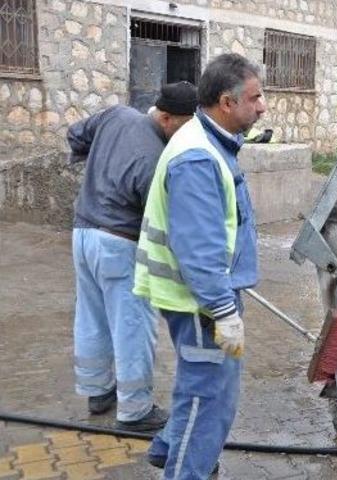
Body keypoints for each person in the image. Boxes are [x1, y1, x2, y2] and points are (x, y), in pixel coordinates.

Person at [134, 53, 266, 479]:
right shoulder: (198, 158)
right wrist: (224, 311)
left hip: (205, 298)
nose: (262, 106)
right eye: (255, 97)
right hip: (198, 304)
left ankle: (169, 448)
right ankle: (185, 469)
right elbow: (198, 248)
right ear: (227, 103)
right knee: (208, 398)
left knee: (206, 388)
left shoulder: (207, 141)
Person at [68, 82, 198, 432]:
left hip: (82, 234)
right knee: (133, 326)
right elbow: (162, 222)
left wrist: (97, 166)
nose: (188, 136)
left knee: (91, 317)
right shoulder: (154, 158)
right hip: (119, 245)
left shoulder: (115, 114)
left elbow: (75, 136)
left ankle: (97, 392)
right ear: (166, 117)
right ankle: (136, 410)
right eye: (185, 127)